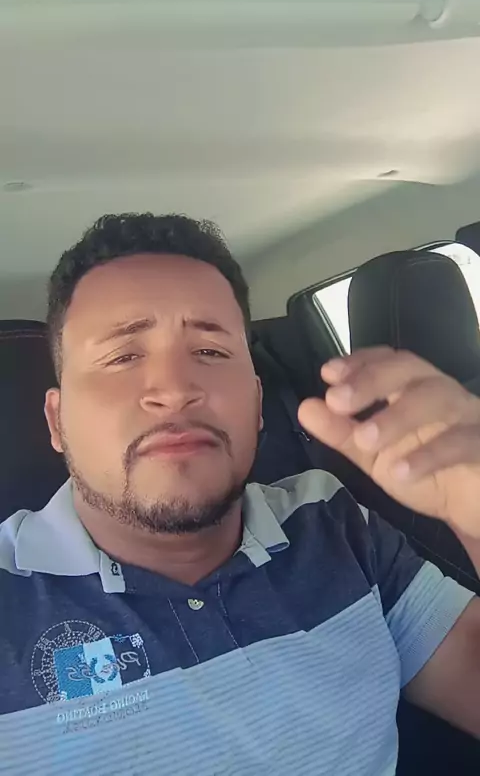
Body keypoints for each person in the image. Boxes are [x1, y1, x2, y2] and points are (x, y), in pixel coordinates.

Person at [0, 212, 479, 775]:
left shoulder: (333, 523)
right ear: (57, 421)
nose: (175, 390)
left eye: (210, 351)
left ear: (256, 403)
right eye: (123, 356)